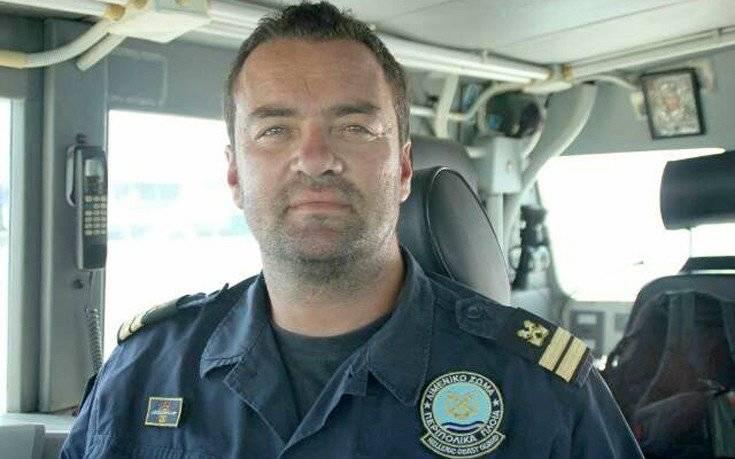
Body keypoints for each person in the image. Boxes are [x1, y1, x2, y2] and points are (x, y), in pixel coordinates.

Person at [61, 2, 643, 457]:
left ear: (404, 170)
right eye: (275, 130)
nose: (315, 159)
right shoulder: (143, 371)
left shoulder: (539, 392)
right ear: (235, 175)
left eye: (355, 128)